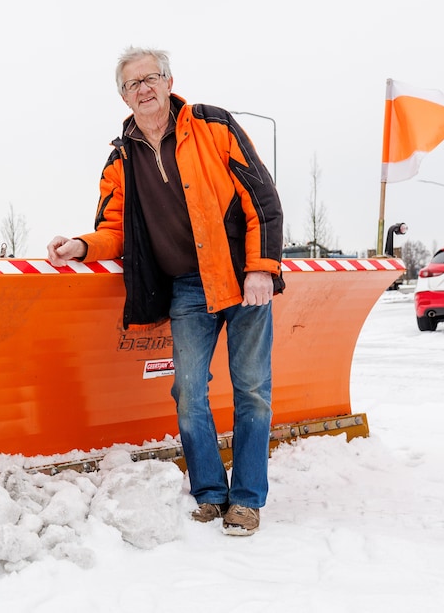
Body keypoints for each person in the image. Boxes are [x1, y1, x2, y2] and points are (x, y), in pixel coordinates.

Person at [46, 46, 284, 536]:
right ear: (123, 96)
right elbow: (114, 229)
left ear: (169, 81)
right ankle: (210, 493)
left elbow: (261, 196)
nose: (144, 89)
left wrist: (261, 268)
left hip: (241, 276)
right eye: (132, 84)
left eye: (151, 78)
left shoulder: (213, 125)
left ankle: (246, 500)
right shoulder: (121, 158)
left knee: (252, 390)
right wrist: (81, 246)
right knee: (188, 391)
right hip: (187, 288)